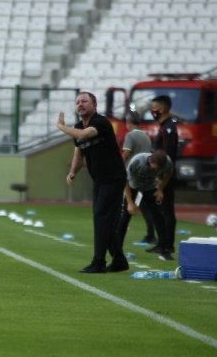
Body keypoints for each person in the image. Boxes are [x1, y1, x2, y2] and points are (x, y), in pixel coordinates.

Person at [57, 92, 128, 273]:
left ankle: (99, 262)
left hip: (113, 178)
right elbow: (79, 153)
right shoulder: (79, 126)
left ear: (94, 106)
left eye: (84, 101)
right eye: (78, 102)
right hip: (100, 180)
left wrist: (61, 127)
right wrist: (73, 172)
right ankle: (119, 260)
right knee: (106, 220)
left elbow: (83, 135)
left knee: (101, 217)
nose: (80, 104)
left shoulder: (100, 122)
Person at [118, 150, 174, 260]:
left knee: (158, 216)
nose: (157, 170)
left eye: (159, 168)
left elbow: (169, 172)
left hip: (149, 187)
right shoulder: (137, 162)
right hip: (133, 187)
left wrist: (160, 189)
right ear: (150, 161)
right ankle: (117, 248)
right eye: (155, 167)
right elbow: (126, 181)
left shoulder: (167, 163)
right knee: (125, 216)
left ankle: (163, 248)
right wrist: (130, 203)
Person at [147, 95, 178, 258]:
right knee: (160, 209)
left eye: (154, 108)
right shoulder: (164, 126)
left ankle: (167, 245)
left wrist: (161, 180)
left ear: (162, 109)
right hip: (160, 174)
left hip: (165, 175)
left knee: (166, 209)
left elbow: (168, 156)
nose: (152, 111)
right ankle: (162, 242)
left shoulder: (168, 128)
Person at [121, 112, 156, 245]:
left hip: (133, 175)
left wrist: (117, 165)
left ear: (128, 122)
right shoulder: (146, 136)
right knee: (146, 206)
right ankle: (151, 234)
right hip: (146, 175)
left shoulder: (130, 135)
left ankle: (118, 239)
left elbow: (126, 153)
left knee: (127, 207)